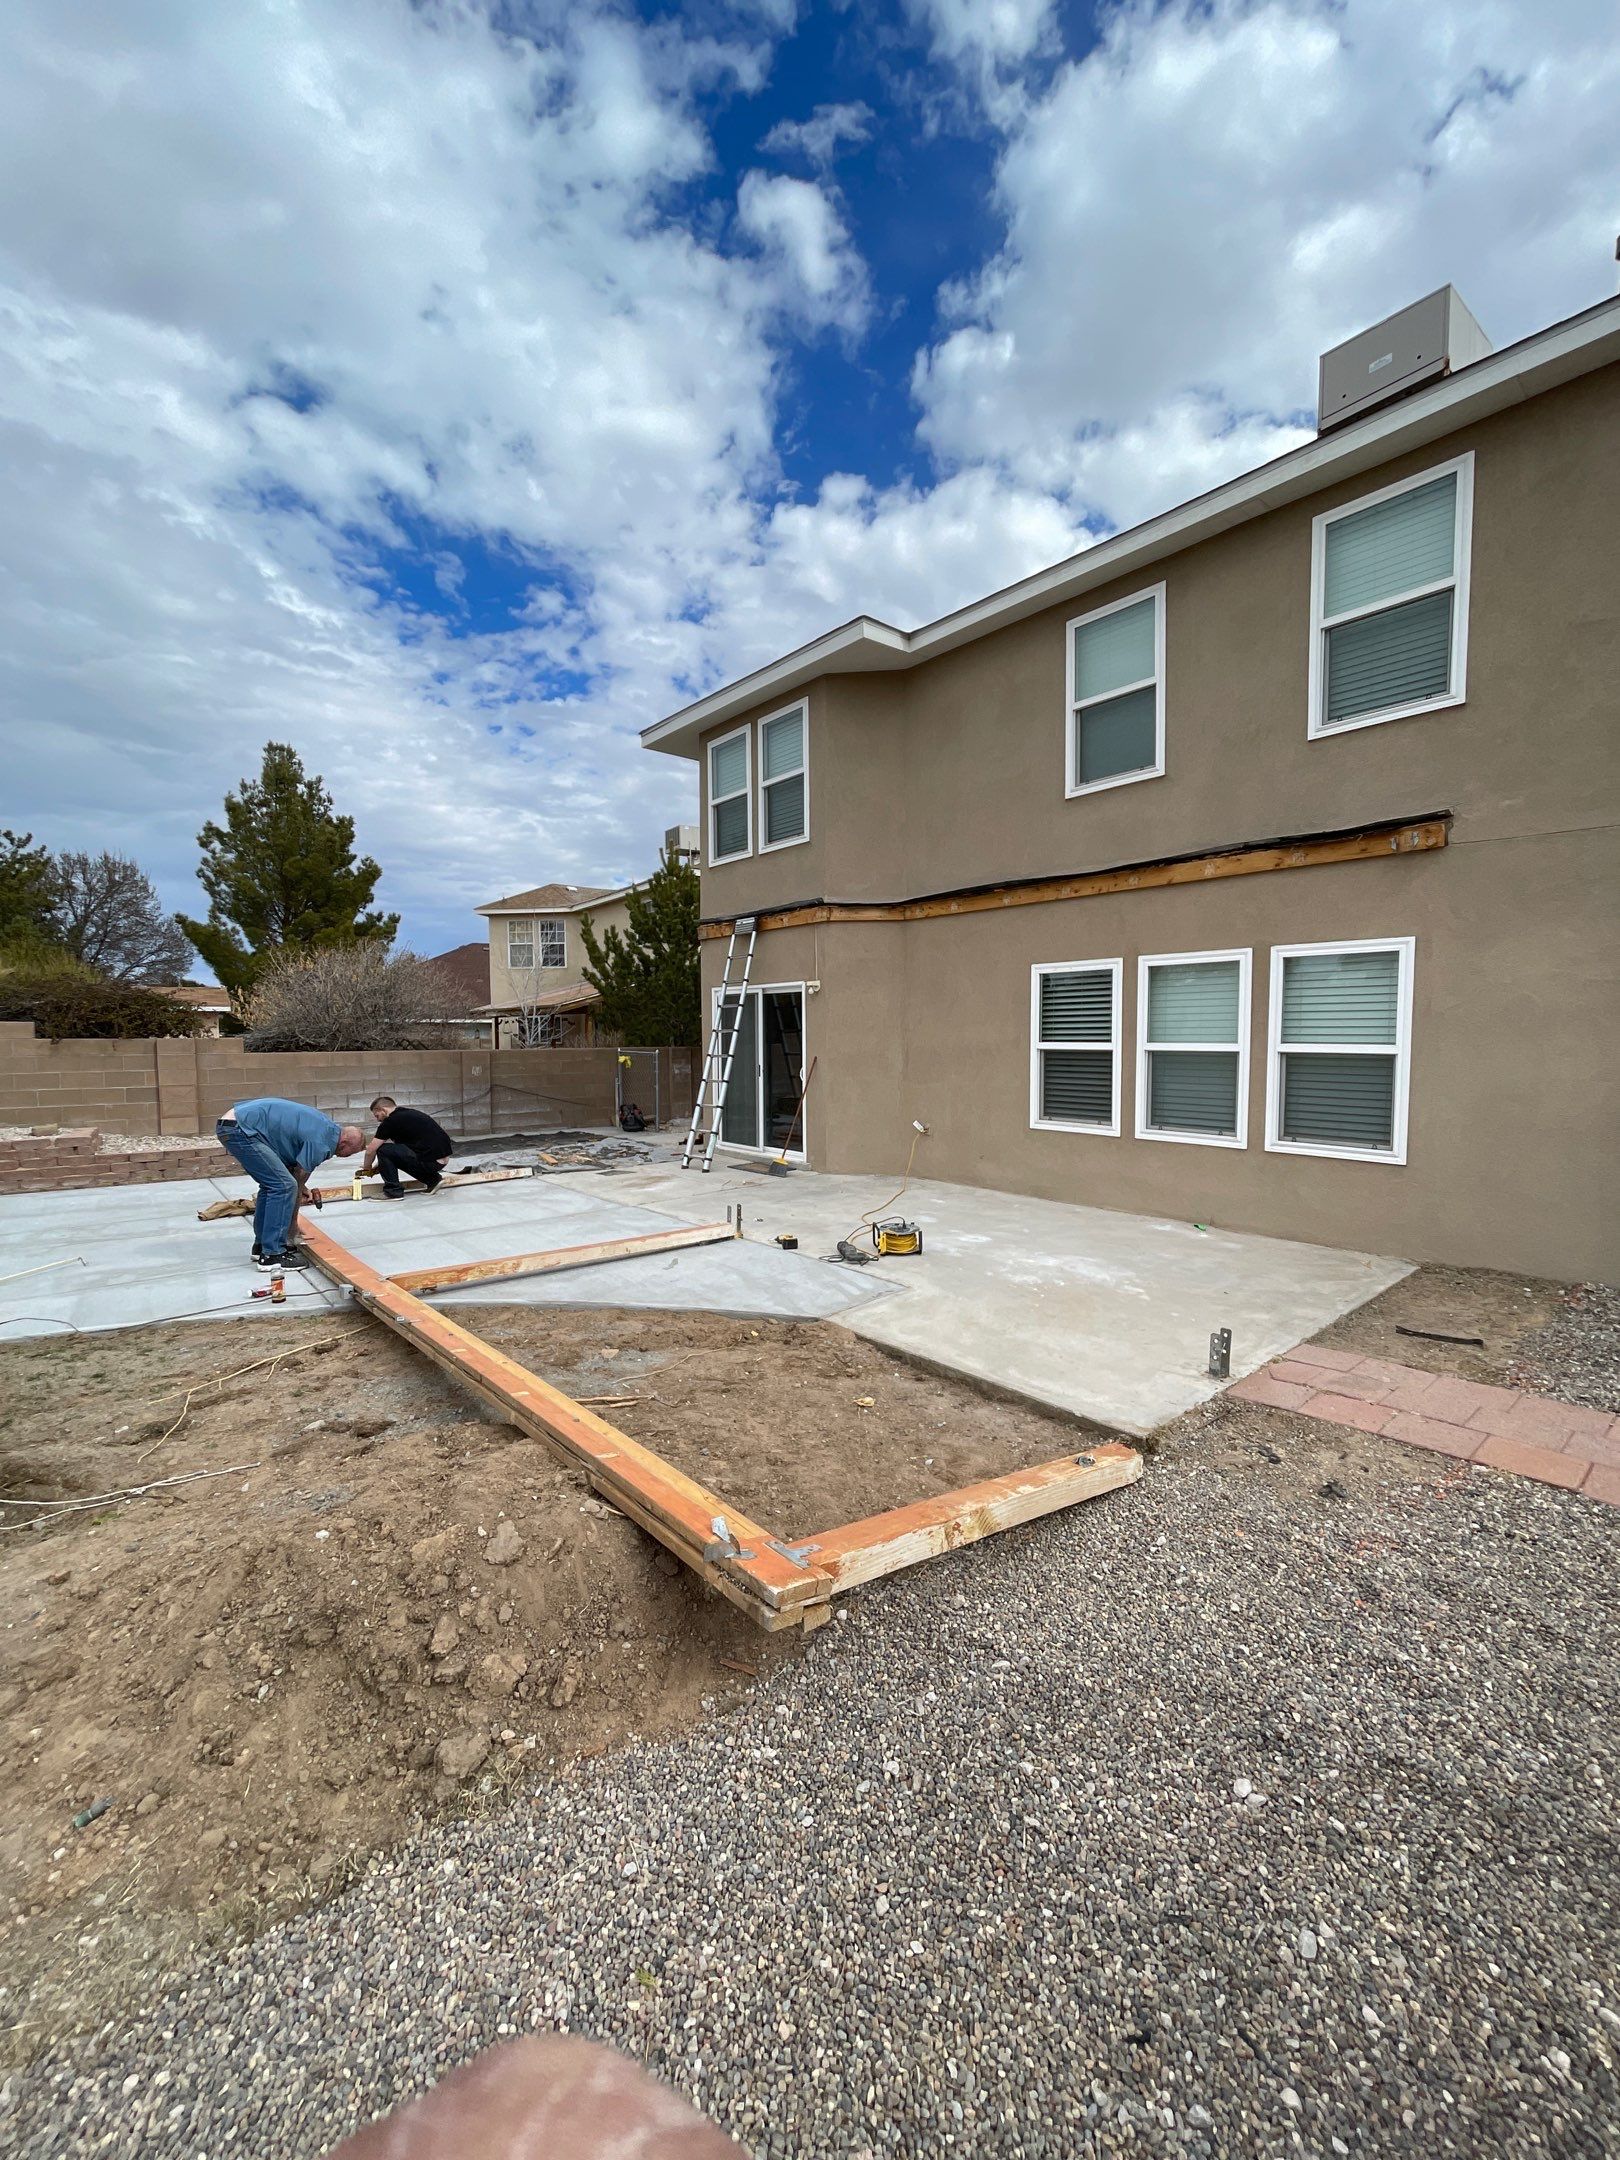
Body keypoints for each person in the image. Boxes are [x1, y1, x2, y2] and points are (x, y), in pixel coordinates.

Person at [215, 1097, 365, 1270]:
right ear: (344, 1143)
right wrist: (292, 1227)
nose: (344, 1157)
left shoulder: (326, 1128)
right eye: (349, 1153)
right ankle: (273, 1255)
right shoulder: (323, 1143)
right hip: (242, 1129)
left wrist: (302, 1187)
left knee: (272, 1185)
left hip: (236, 1124)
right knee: (283, 1187)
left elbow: (294, 1173)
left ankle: (262, 1246)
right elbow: (296, 1181)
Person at [365, 1094, 453, 1197]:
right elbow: (399, 1154)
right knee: (394, 1153)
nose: (378, 1119)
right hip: (441, 1159)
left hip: (430, 1161)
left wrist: (367, 1168)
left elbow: (371, 1150)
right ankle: (433, 1180)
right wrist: (380, 1165)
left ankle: (392, 1192)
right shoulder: (408, 1114)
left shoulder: (390, 1121)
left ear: (382, 1109)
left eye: (377, 1115)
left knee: (383, 1149)